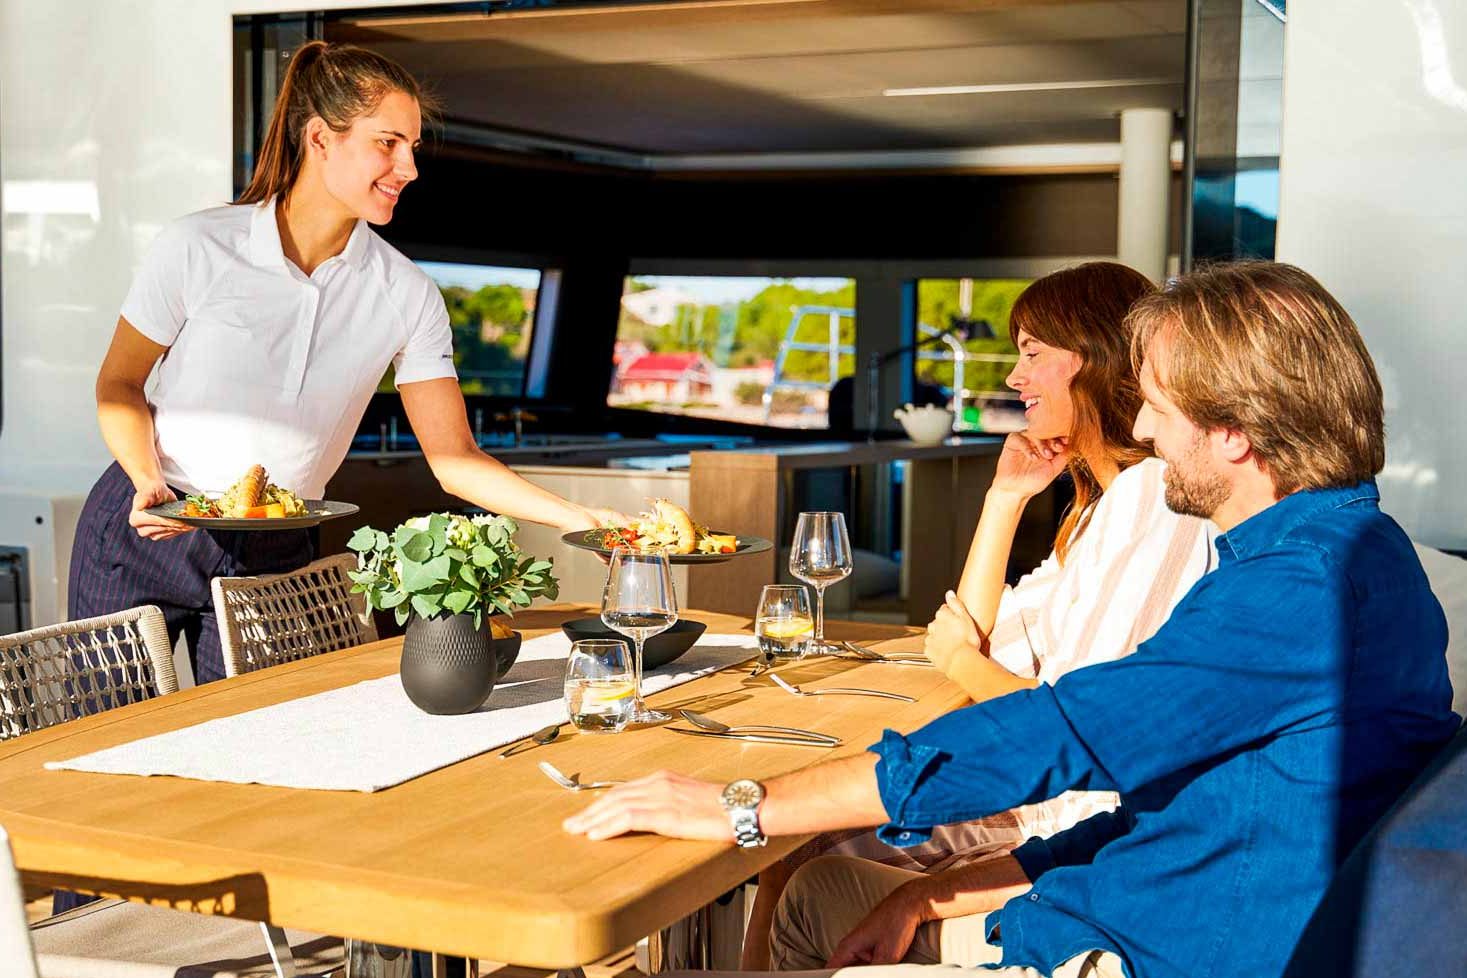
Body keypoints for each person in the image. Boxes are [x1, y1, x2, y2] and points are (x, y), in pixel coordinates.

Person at [564, 261, 1460, 978]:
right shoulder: (1346, 554)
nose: (1142, 429)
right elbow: (1159, 807)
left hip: (1144, 948)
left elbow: (1056, 733)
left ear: (1233, 430)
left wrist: (741, 805)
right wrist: (934, 894)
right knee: (835, 885)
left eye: (1159, 404)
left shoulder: (1299, 593)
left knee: (808, 891)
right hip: (1147, 901)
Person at [69, 40, 620, 700]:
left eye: (412, 146)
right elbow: (119, 383)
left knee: (267, 741)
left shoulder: (405, 293)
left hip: (277, 551)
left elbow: (455, 458)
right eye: (388, 143)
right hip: (146, 526)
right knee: (103, 742)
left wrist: (577, 517)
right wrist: (146, 479)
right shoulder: (200, 246)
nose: (409, 166)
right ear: (321, 139)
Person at [740, 263, 1217, 969]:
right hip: (1036, 796)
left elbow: (1064, 722)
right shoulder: (1094, 509)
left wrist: (962, 661)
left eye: (1031, 353)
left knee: (802, 856)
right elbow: (974, 624)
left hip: (1057, 817)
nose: (1015, 377)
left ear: (1095, 357)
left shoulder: (1150, 500)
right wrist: (1005, 499)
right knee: (799, 839)